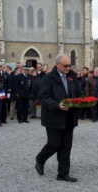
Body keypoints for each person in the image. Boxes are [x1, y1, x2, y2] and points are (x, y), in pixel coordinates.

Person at [35, 54, 79, 182]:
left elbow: (76, 92)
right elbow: (43, 96)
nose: (68, 68)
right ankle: (40, 159)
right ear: (57, 64)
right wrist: (57, 105)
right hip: (53, 117)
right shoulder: (48, 78)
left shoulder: (72, 76)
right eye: (65, 66)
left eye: (70, 65)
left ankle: (63, 174)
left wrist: (82, 101)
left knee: (66, 146)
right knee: (54, 144)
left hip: (69, 117)